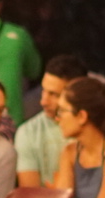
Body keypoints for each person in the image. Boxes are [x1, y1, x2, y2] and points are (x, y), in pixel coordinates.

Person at [16, 54, 90, 190]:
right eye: (43, 90)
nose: (43, 101)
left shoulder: (95, 128)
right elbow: (30, 194)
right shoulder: (28, 132)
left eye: (54, 94)